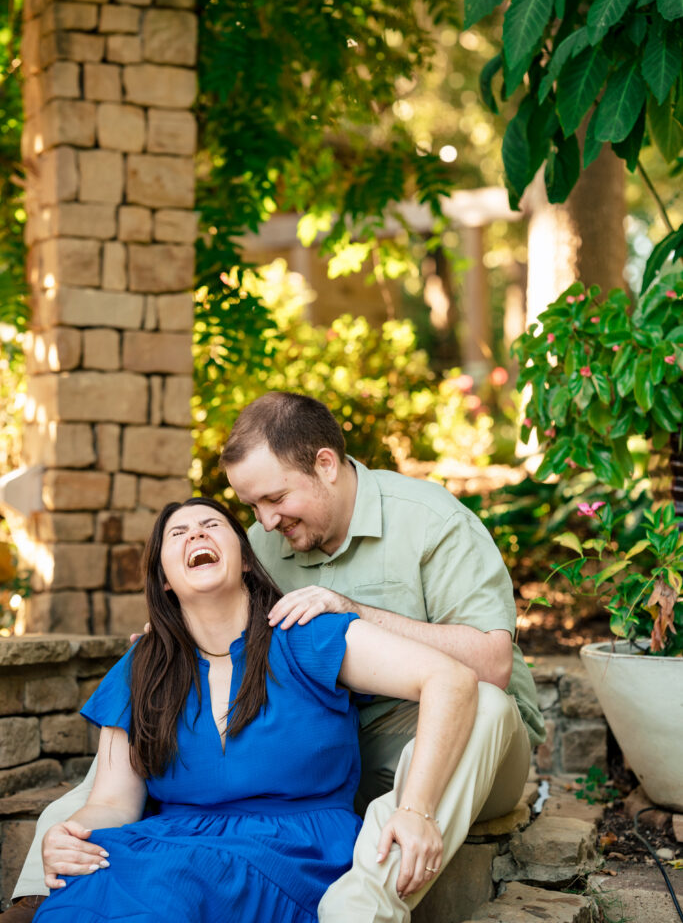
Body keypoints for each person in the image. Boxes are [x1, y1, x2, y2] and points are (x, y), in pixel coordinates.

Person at [9, 392, 544, 922]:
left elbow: (489, 663)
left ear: (325, 466)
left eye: (274, 499)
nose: (263, 522)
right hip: (324, 738)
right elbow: (216, 606)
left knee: (483, 701)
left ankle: (361, 906)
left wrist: (354, 610)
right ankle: (37, 898)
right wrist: (172, 637)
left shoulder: (430, 521)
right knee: (101, 785)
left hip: (445, 738)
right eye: (249, 508)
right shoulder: (263, 540)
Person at [32, 497, 476, 923]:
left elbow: (449, 679)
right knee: (82, 894)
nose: (195, 536)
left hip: (295, 853)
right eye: (178, 533)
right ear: (164, 578)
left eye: (211, 526)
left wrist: (416, 809)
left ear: (245, 559)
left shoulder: (304, 634)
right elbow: (112, 802)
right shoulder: (143, 664)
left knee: (169, 891)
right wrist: (69, 835)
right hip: (167, 849)